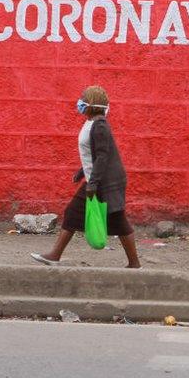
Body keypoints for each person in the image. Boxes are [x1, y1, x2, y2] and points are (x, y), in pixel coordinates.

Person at [31, 86, 140, 269]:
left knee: (118, 220)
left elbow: (103, 156)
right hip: (95, 179)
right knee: (73, 213)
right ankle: (54, 255)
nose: (79, 102)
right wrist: (82, 171)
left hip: (105, 182)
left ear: (91, 104)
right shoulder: (91, 122)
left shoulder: (100, 126)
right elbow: (93, 153)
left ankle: (135, 263)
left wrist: (93, 183)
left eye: (83, 99)